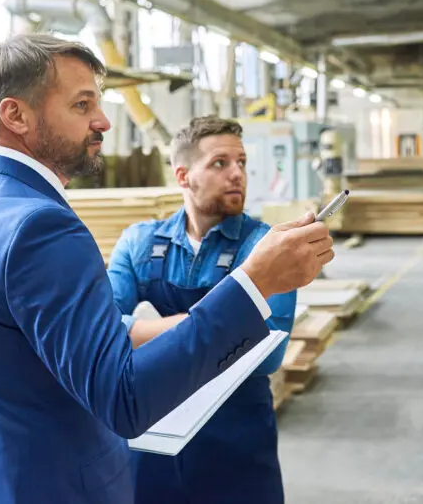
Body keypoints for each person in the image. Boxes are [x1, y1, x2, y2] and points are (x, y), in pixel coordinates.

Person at [0, 34, 334, 504]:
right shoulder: (42, 227)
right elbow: (124, 400)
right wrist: (252, 283)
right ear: (16, 115)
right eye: (81, 105)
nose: (103, 121)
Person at [106, 115, 294, 504]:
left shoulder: (269, 246)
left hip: (237, 443)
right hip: (151, 439)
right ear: (183, 176)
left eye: (241, 162)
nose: (236, 174)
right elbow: (104, 331)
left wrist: (146, 331)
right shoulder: (140, 243)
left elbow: (266, 352)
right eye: (219, 163)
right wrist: (212, 325)